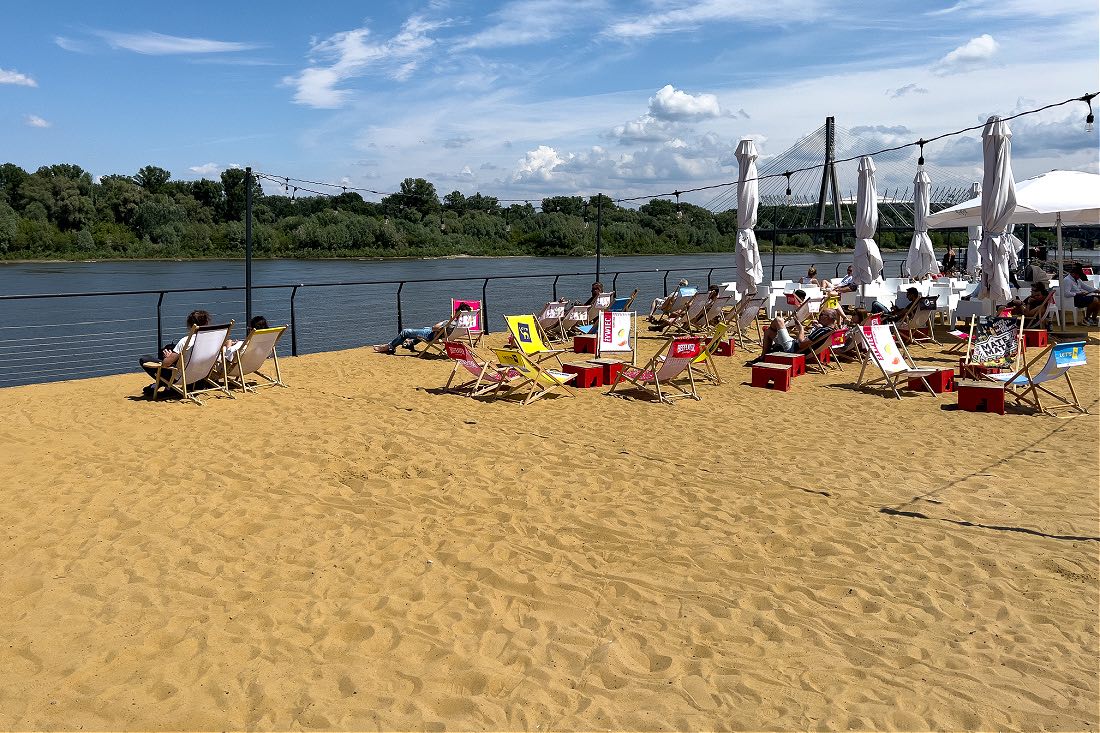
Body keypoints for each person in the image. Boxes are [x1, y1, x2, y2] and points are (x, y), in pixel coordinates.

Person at [138, 309, 211, 398]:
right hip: (201, 375)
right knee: (169, 348)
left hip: (181, 378)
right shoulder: (213, 340)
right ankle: (158, 387)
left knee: (144, 359)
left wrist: (168, 358)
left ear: (190, 325)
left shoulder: (185, 341)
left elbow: (166, 363)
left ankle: (163, 386)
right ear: (207, 322)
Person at [373, 303, 472, 354]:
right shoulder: (464, 324)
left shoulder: (450, 323)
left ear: (457, 312)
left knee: (405, 332)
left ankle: (389, 347)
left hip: (433, 336)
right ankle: (410, 343)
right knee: (424, 329)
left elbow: (434, 328)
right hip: (446, 337)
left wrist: (445, 322)